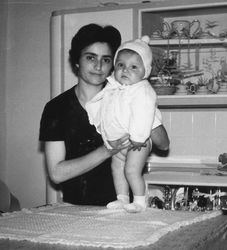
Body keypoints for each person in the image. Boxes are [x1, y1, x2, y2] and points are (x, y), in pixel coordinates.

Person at [39, 23, 169, 207]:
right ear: (77, 61)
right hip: (76, 209)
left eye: (106, 59)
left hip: (125, 209)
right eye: (91, 57)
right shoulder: (56, 108)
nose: (98, 65)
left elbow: (164, 145)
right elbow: (57, 174)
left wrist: (150, 115)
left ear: (112, 65)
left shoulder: (131, 96)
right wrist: (108, 150)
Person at [86, 36, 169, 212]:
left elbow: (145, 113)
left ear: (145, 71)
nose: (125, 70)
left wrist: (139, 137)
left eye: (133, 67)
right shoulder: (112, 88)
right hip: (118, 144)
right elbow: (106, 113)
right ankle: (122, 198)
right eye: (120, 65)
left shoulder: (142, 90)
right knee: (117, 170)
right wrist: (108, 139)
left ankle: (140, 201)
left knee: (131, 171)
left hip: (138, 141)